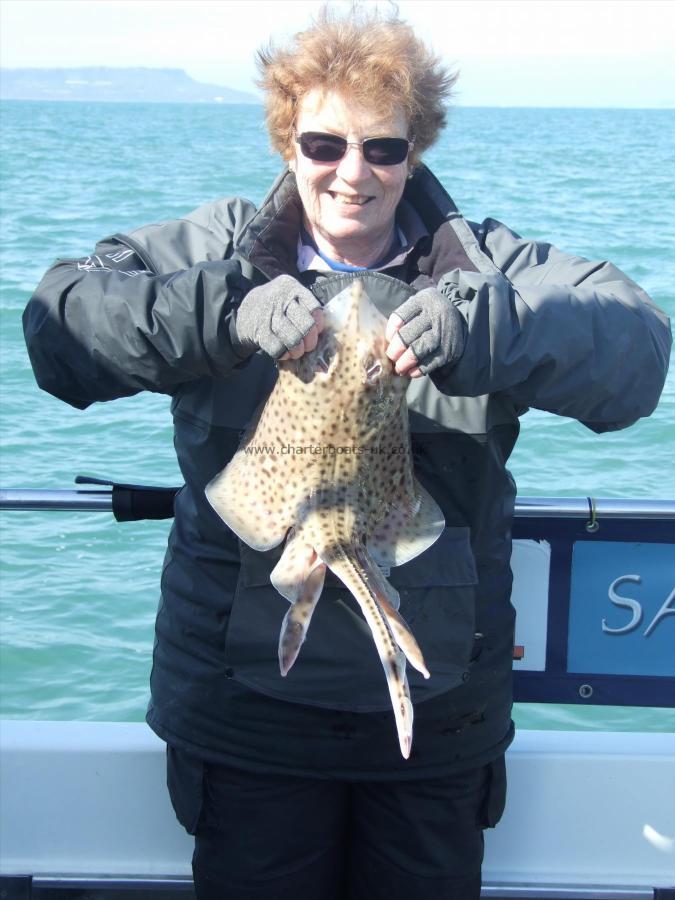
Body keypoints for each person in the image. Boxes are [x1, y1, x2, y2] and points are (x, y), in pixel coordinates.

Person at [23, 7, 671, 899]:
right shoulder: (216, 251)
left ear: (417, 150)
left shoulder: (484, 268)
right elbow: (61, 328)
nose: (352, 173)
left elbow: (635, 352)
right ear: (289, 140)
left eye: (383, 148)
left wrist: (491, 327)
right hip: (246, 718)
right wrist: (223, 313)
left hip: (436, 718)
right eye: (324, 143)